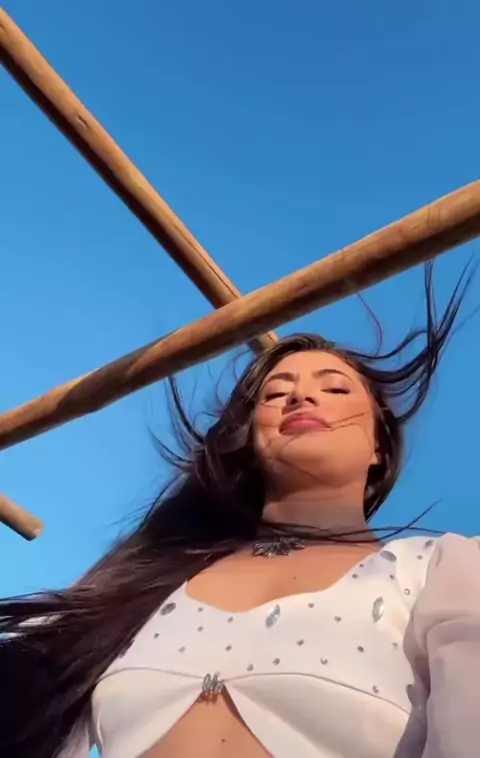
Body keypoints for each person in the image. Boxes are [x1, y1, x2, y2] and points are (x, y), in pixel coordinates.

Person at [1, 265, 479, 758]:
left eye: (335, 388)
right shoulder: (140, 583)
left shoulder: (443, 570)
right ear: (250, 439)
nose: (300, 396)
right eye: (275, 394)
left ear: (380, 446)